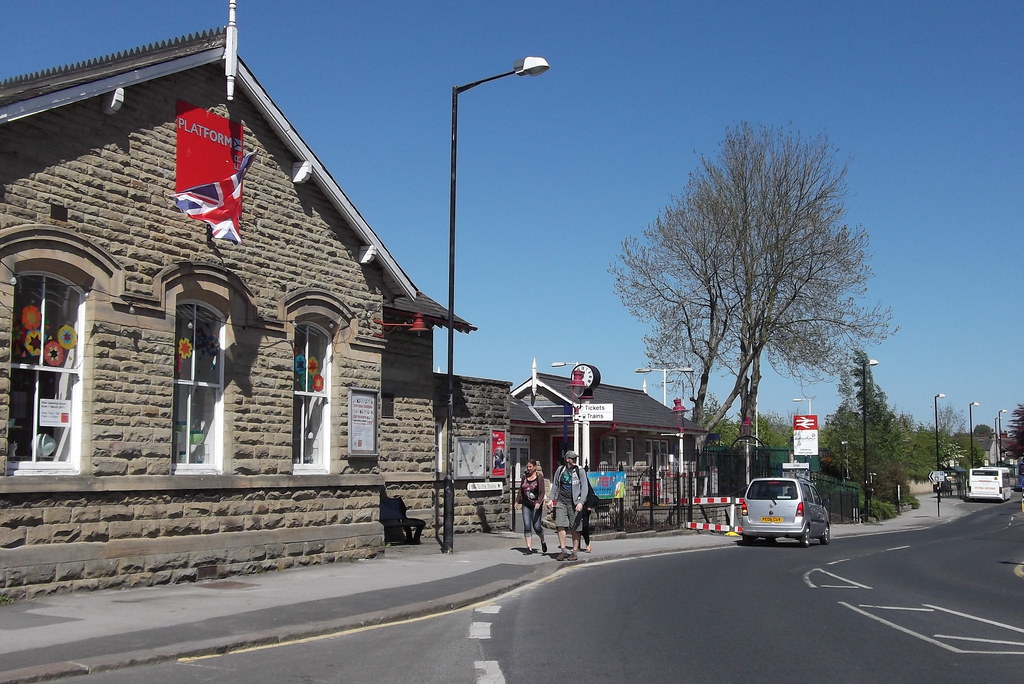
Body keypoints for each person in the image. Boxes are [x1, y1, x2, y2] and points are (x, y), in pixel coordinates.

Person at [547, 450, 589, 561]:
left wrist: (581, 502)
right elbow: (555, 485)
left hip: (574, 503)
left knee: (575, 528)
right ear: (567, 459)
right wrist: (551, 499)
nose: (575, 460)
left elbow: (585, 488)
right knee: (560, 525)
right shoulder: (560, 470)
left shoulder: (580, 471)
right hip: (561, 501)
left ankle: (574, 552)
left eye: (575, 458)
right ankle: (564, 550)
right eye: (572, 458)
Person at [515, 459, 547, 554]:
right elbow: (521, 490)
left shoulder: (539, 477)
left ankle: (543, 540)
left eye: (530, 467)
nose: (528, 468)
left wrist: (538, 502)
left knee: (537, 527)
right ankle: (529, 548)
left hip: (536, 505)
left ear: (535, 467)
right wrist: (517, 501)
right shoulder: (524, 477)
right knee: (527, 525)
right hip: (526, 504)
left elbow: (542, 492)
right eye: (527, 467)